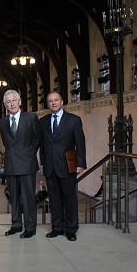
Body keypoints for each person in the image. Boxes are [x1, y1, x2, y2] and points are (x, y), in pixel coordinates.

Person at [40, 91, 86, 241]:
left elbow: (80, 143)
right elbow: (43, 144)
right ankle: (57, 227)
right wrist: (42, 163)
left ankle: (71, 229)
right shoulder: (43, 121)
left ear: (62, 102)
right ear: (48, 104)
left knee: (70, 199)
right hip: (50, 166)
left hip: (67, 165)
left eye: (56, 100)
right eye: (50, 101)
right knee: (54, 199)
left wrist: (81, 163)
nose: (53, 103)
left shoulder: (73, 120)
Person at [0, 89, 40, 239]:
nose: (11, 104)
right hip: (10, 164)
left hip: (27, 164)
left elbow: (37, 139)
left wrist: (28, 154)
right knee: (13, 197)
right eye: (8, 102)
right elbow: (6, 142)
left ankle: (30, 228)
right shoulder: (2, 122)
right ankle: (16, 225)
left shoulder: (31, 118)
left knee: (28, 198)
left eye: (13, 100)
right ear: (5, 105)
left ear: (20, 102)